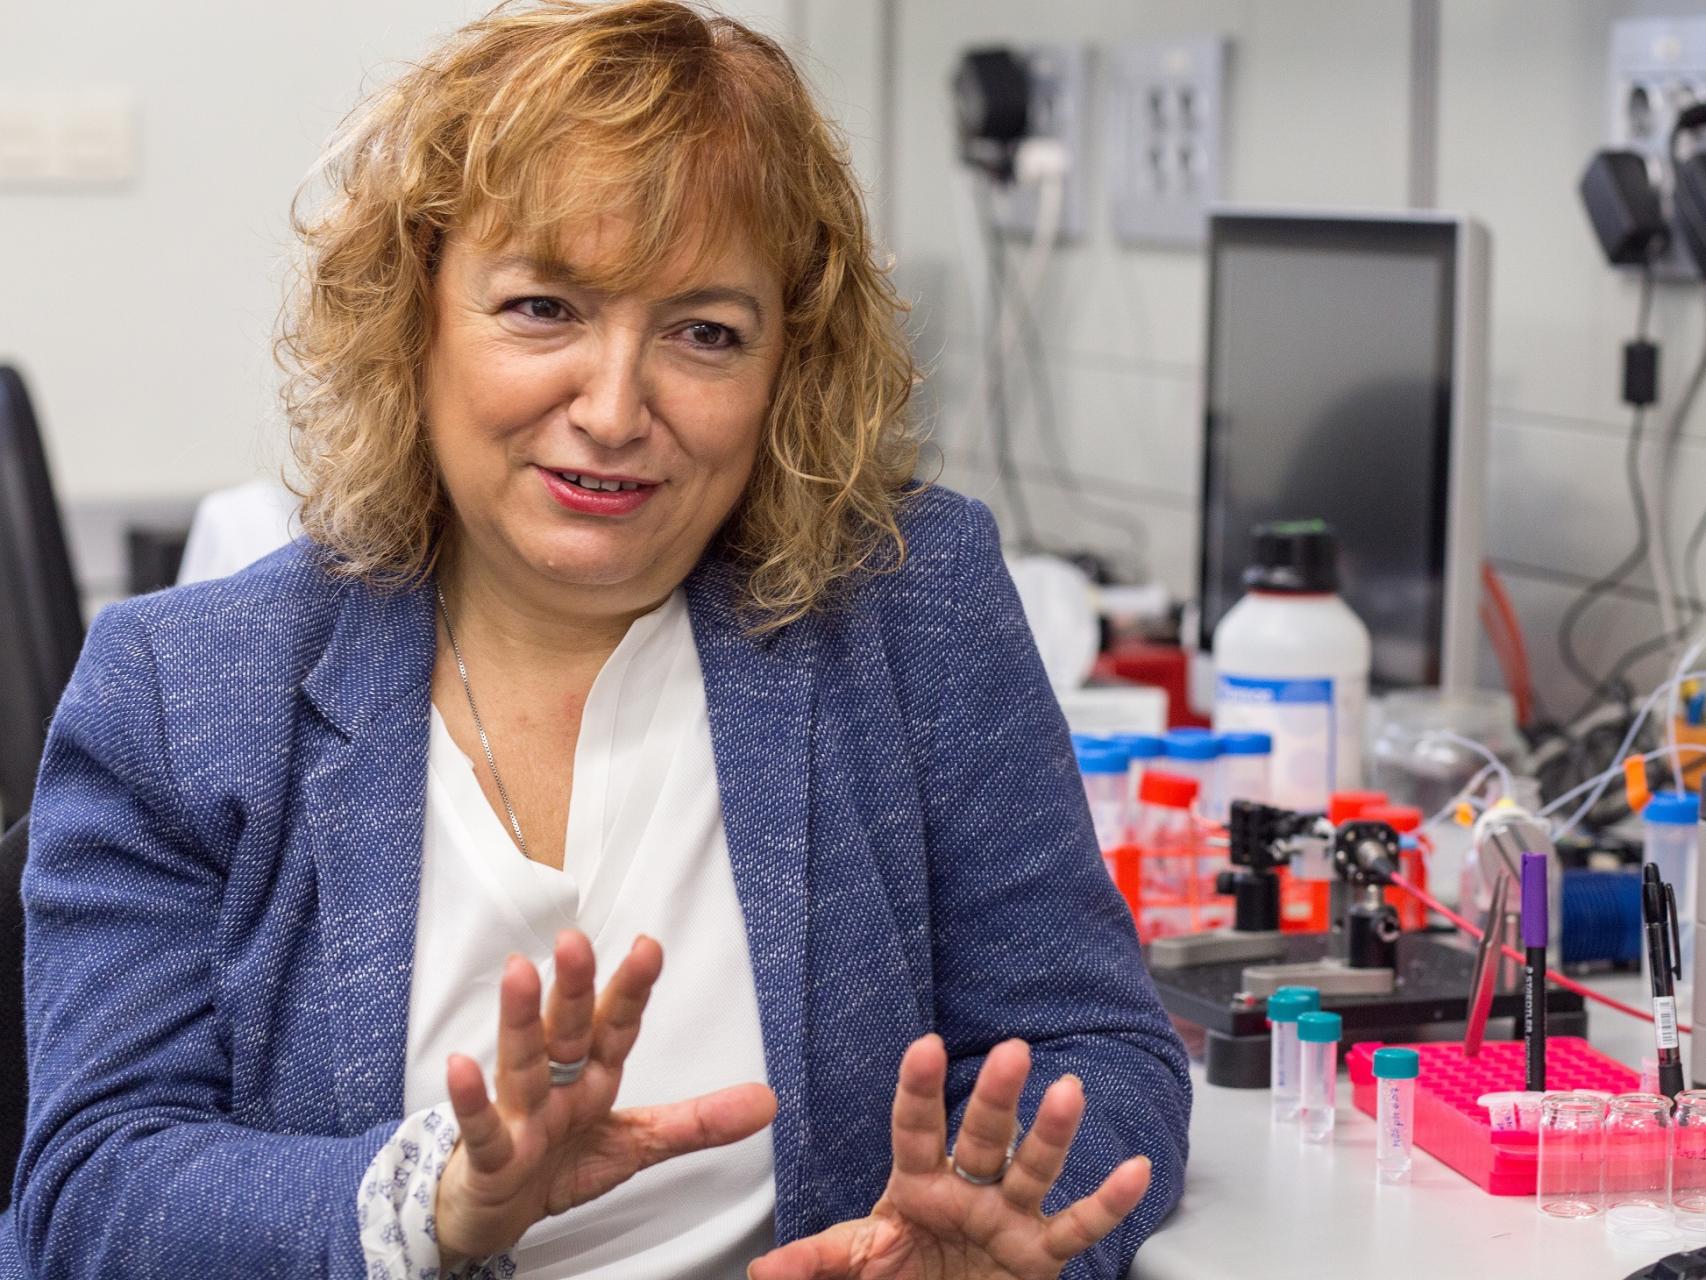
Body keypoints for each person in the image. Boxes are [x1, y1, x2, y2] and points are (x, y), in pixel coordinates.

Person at [6, 3, 1191, 1277]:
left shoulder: (906, 609)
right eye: (542, 307)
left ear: (790, 364)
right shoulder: (182, 695)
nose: (615, 408)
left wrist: (990, 1228)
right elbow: (92, 1190)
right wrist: (432, 1200)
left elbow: (1098, 1048)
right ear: (415, 316)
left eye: (703, 333)